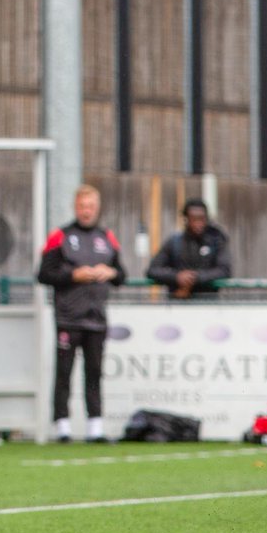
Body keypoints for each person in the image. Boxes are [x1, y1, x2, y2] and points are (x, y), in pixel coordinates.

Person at [37, 184, 126, 443]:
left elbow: (122, 274)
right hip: (68, 317)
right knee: (64, 371)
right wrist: (72, 275)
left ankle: (95, 426)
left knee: (95, 371)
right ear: (76, 207)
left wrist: (110, 273)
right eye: (82, 206)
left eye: (91, 207)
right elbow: (43, 274)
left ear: (97, 208)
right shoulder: (60, 236)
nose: (86, 211)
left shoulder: (107, 237)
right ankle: (62, 425)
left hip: (96, 317)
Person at [146, 198, 232, 298]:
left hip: (208, 303)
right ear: (186, 219)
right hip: (178, 301)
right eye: (194, 219)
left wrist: (195, 278)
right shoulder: (174, 242)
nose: (198, 223)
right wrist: (176, 276)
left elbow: (224, 270)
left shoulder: (216, 240)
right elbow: (152, 270)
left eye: (202, 218)